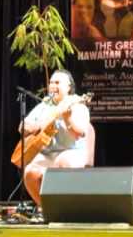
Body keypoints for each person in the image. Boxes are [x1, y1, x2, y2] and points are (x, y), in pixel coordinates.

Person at [21, 69, 90, 206]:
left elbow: (79, 133)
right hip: (47, 154)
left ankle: (67, 208)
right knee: (29, 172)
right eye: (51, 82)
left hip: (72, 152)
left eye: (57, 82)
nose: (53, 86)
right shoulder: (44, 105)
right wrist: (32, 127)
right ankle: (47, 209)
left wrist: (67, 118)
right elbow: (22, 127)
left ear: (69, 87)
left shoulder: (77, 105)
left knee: (63, 161)